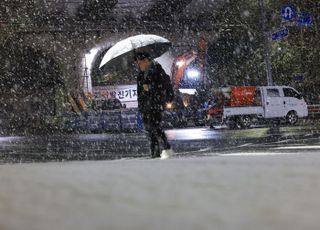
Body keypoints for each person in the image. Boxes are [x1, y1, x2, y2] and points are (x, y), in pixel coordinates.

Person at [135, 51, 174, 159]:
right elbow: (140, 92)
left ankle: (164, 147)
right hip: (145, 105)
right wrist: (141, 105)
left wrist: (150, 88)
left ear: (146, 61)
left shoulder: (157, 70)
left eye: (140, 62)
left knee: (155, 126)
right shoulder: (140, 75)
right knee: (150, 128)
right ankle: (156, 151)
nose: (138, 65)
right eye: (137, 63)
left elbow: (164, 86)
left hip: (155, 103)